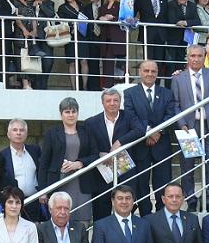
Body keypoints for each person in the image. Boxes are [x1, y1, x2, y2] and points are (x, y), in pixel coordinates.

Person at [172, 44, 209, 211]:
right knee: (188, 165)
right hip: (189, 128)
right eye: (192, 56)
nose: (196, 59)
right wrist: (182, 124)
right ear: (187, 58)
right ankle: (191, 199)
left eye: (199, 56)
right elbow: (175, 104)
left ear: (204, 57)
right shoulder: (178, 78)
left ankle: (208, 198)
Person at [124, 60, 177, 215]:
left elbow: (170, 115)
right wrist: (148, 132)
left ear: (157, 73)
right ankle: (145, 214)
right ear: (140, 72)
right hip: (140, 145)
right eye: (146, 70)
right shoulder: (130, 93)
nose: (149, 74)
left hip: (161, 144)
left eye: (153, 71)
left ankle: (161, 214)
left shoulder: (167, 93)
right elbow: (130, 116)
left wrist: (158, 132)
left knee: (163, 183)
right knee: (141, 183)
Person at [85, 88, 144, 219]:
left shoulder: (129, 116)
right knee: (101, 211)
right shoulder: (91, 122)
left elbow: (140, 130)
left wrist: (119, 142)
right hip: (102, 172)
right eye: (108, 101)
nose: (112, 103)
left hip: (125, 171)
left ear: (120, 102)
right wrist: (99, 154)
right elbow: (88, 145)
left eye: (115, 100)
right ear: (103, 103)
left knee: (126, 209)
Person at [38, 97, 96, 226]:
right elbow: (44, 163)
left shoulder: (86, 131)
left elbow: (95, 155)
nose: (71, 115)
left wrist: (79, 163)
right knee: (60, 220)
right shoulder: (52, 133)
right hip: (59, 183)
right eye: (67, 112)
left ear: (77, 113)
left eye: (73, 111)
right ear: (61, 114)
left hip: (81, 184)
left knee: (82, 222)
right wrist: (43, 190)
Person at [1, 118, 42, 221]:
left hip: (34, 201)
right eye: (15, 130)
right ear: (8, 134)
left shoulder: (35, 151)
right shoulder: (2, 156)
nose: (18, 133)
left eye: (22, 130)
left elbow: (42, 172)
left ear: (26, 134)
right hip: (13, 203)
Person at [57, 0, 89, 90]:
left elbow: (87, 19)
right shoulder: (63, 8)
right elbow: (59, 22)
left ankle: (84, 86)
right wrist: (71, 27)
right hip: (70, 36)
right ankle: (74, 87)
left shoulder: (82, 5)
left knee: (84, 60)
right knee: (72, 62)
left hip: (82, 36)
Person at [134, 0, 169, 71]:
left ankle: (157, 80)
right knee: (148, 61)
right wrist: (133, 19)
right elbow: (133, 11)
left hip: (160, 35)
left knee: (158, 62)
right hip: (147, 33)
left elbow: (166, 17)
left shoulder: (164, 0)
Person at [165, 0, 201, 76]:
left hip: (186, 40)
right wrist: (180, 22)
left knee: (182, 63)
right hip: (173, 39)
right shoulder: (171, 4)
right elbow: (171, 19)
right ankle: (169, 83)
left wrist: (186, 23)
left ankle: (180, 82)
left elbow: (197, 21)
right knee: (171, 64)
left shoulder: (192, 6)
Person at [98, 0, 126, 87]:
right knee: (106, 63)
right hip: (105, 38)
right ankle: (107, 86)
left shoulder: (120, 6)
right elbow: (98, 19)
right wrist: (100, 19)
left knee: (116, 64)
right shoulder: (103, 7)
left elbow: (125, 18)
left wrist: (112, 18)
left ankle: (113, 86)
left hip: (117, 38)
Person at [32, 0, 56, 90]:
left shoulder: (49, 3)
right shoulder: (30, 4)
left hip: (47, 36)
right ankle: (36, 85)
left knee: (48, 61)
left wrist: (41, 5)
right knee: (35, 61)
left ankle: (44, 83)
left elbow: (51, 14)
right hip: (34, 37)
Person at [13, 0, 37, 90]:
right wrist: (24, 30)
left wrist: (34, 31)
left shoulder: (29, 4)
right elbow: (17, 18)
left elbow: (34, 18)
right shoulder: (15, 3)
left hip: (31, 37)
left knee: (30, 58)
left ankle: (30, 83)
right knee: (21, 59)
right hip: (20, 35)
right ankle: (25, 83)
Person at [80, 0, 103, 91]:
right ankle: (94, 88)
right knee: (93, 64)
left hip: (104, 38)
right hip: (92, 38)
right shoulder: (86, 8)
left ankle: (107, 86)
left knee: (107, 63)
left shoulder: (107, 5)